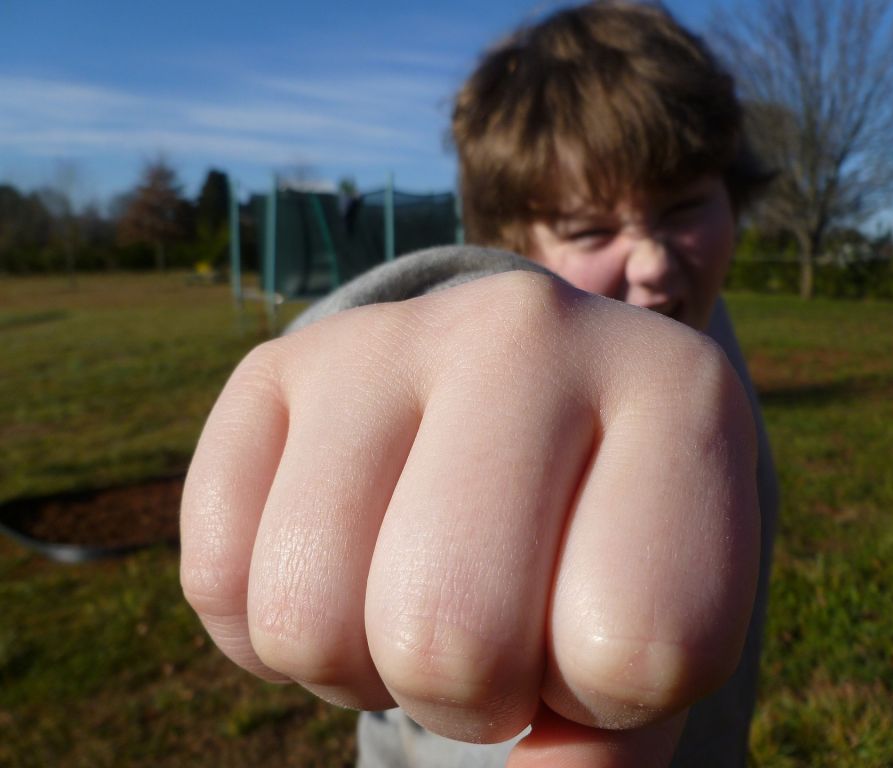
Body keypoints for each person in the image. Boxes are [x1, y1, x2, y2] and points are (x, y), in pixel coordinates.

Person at [180, 2, 778, 766]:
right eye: (591, 230)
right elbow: (490, 315)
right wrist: (449, 307)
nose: (654, 262)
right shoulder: (537, 293)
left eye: (687, 206)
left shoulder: (699, 324)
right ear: (516, 241)